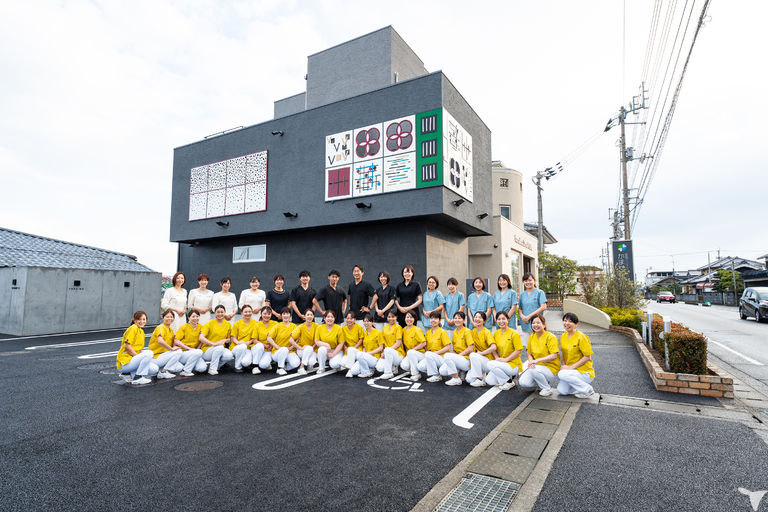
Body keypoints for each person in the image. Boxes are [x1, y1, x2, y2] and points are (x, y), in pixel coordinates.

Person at [518, 314, 560, 396]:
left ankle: (547, 389)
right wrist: (531, 362)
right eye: (533, 323)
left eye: (538, 323)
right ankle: (542, 382)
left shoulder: (550, 337)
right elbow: (529, 353)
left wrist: (536, 361)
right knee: (523, 383)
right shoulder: (531, 337)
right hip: (537, 368)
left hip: (551, 369)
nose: (535, 325)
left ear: (544, 325)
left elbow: (554, 355)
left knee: (534, 370)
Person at [557, 312, 595, 398]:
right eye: (565, 320)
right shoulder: (563, 336)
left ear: (576, 324)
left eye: (570, 321)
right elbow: (563, 352)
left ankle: (587, 389)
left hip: (584, 372)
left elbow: (587, 357)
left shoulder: (581, 337)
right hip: (571, 372)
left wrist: (570, 367)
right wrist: (564, 365)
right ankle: (580, 387)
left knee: (562, 374)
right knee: (562, 391)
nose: (567, 323)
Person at [483, 311, 522, 390]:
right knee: (489, 381)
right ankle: (507, 377)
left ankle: (509, 381)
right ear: (496, 321)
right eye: (499, 319)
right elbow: (493, 347)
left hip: (513, 364)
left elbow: (518, 350)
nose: (501, 321)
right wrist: (497, 357)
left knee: (490, 364)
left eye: (503, 319)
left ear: (508, 320)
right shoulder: (496, 333)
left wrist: (506, 359)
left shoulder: (514, 333)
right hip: (502, 363)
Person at [116, 311, 154, 385]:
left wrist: (139, 357)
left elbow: (138, 348)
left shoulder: (141, 331)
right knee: (149, 353)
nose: (141, 321)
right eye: (139, 319)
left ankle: (127, 374)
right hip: (125, 362)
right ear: (134, 320)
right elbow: (127, 346)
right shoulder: (133, 328)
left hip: (131, 361)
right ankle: (138, 377)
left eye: (144, 319)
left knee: (154, 369)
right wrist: (138, 357)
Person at [439, 311, 473, 386]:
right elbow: (454, 349)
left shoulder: (467, 331)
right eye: (455, 318)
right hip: (458, 359)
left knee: (447, 355)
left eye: (459, 318)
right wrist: (456, 356)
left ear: (464, 320)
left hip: (466, 360)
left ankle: (456, 378)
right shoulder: (454, 332)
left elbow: (471, 348)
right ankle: (460, 373)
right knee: (442, 371)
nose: (457, 320)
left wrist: (458, 356)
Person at [198, 304, 234, 376]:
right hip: (208, 350)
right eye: (218, 312)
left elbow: (228, 339)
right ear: (214, 313)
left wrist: (225, 340)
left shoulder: (228, 324)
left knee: (229, 355)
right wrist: (213, 344)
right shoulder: (209, 323)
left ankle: (216, 366)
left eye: (222, 312)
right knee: (219, 347)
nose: (220, 314)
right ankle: (212, 369)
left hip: (220, 348)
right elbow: (201, 338)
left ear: (225, 313)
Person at [147, 309, 183, 379]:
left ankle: (161, 370)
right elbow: (160, 341)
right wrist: (171, 349)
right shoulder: (161, 327)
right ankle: (163, 372)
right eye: (167, 317)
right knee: (178, 352)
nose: (169, 318)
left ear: (173, 318)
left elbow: (174, 344)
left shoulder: (171, 330)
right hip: (156, 356)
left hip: (164, 356)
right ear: (163, 318)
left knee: (179, 367)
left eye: (171, 317)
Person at [265, 307, 299, 375]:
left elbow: (298, 338)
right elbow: (269, 338)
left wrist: (291, 347)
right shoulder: (277, 326)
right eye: (284, 314)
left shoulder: (294, 326)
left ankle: (285, 367)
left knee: (296, 364)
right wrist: (277, 347)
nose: (286, 315)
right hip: (277, 352)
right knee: (284, 350)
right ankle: (280, 368)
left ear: (290, 315)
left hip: (290, 352)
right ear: (281, 315)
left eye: (287, 313)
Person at [348, 313, 383, 378]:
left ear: (372, 322)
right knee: (353, 371)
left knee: (359, 354)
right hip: (366, 356)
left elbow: (381, 348)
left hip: (374, 358)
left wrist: (368, 353)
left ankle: (366, 372)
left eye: (368, 321)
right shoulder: (365, 333)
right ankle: (369, 369)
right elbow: (364, 347)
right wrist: (364, 354)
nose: (366, 323)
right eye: (365, 321)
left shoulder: (378, 332)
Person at [466, 312, 496, 387]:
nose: (477, 319)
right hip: (478, 360)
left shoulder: (487, 332)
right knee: (469, 379)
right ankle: (481, 374)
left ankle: (480, 379)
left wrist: (481, 353)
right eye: (476, 317)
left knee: (473, 355)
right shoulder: (473, 331)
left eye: (480, 318)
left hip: (488, 361)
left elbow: (493, 347)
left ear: (484, 321)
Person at [172, 310, 205, 375]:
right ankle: (186, 371)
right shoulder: (184, 327)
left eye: (197, 316)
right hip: (184, 352)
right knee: (199, 352)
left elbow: (202, 340)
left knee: (202, 368)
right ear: (189, 318)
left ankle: (189, 364)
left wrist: (197, 348)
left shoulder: (201, 327)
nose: (195, 318)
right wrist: (189, 348)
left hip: (195, 352)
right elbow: (176, 340)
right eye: (193, 316)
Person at [518, 272, 547, 345]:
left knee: (538, 346)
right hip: (525, 323)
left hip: (536, 323)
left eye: (530, 280)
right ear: (523, 282)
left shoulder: (540, 292)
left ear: (534, 281)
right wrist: (522, 317)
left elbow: (543, 307)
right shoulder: (522, 295)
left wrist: (529, 316)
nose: (528, 282)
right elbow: (520, 308)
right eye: (525, 281)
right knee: (528, 346)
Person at [422, 311, 451, 383]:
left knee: (428, 354)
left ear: (440, 320)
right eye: (431, 318)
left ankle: (435, 375)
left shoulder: (442, 332)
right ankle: (437, 372)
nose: (433, 320)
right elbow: (426, 347)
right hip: (432, 357)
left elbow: (447, 347)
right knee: (420, 366)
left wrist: (435, 353)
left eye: (435, 318)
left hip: (441, 357)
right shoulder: (428, 332)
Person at [229, 304, 258, 372]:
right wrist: (239, 343)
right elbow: (233, 338)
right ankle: (237, 367)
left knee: (245, 363)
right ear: (242, 313)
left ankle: (244, 363)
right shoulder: (237, 323)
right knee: (242, 347)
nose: (248, 313)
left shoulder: (256, 323)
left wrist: (248, 342)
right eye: (245, 312)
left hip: (248, 347)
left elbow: (255, 337)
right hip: (237, 347)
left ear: (252, 312)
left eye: (249, 311)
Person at [250, 306, 278, 374]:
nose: (266, 316)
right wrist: (265, 345)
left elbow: (278, 338)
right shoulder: (257, 325)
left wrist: (272, 345)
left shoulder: (275, 324)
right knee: (259, 345)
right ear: (261, 314)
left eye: (268, 314)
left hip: (269, 350)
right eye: (264, 313)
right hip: (259, 348)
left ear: (271, 315)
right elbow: (254, 340)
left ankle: (266, 363)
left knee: (264, 365)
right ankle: (255, 366)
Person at [376, 310, 404, 379]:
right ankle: (393, 367)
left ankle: (388, 373)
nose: (391, 318)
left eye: (393, 317)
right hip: (387, 353)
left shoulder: (398, 327)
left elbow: (398, 343)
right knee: (379, 368)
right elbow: (383, 344)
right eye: (389, 317)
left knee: (388, 350)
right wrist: (383, 352)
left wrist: (386, 351)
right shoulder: (385, 328)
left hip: (398, 354)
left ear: (396, 317)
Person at [290, 308, 318, 375]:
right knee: (308, 348)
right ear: (304, 316)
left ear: (313, 316)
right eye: (307, 315)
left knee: (312, 362)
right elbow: (291, 340)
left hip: (312, 349)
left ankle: (309, 366)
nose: (309, 316)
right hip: (301, 351)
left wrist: (312, 347)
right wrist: (300, 348)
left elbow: (317, 340)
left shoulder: (317, 326)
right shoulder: (300, 327)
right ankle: (301, 367)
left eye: (311, 315)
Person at [401, 310, 427, 380]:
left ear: (414, 319)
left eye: (411, 317)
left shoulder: (417, 330)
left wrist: (412, 350)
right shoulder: (403, 330)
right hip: (411, 353)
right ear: (405, 318)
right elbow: (406, 345)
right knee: (404, 365)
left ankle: (416, 374)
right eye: (407, 317)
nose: (409, 319)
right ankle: (413, 367)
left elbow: (424, 343)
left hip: (421, 354)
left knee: (411, 352)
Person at [339, 311, 364, 375]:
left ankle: (350, 370)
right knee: (342, 363)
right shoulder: (343, 328)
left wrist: (353, 348)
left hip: (357, 349)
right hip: (347, 350)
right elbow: (342, 341)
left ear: (355, 319)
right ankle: (355, 364)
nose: (349, 320)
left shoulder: (359, 327)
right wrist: (345, 348)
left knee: (351, 350)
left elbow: (361, 339)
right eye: (347, 318)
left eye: (351, 318)